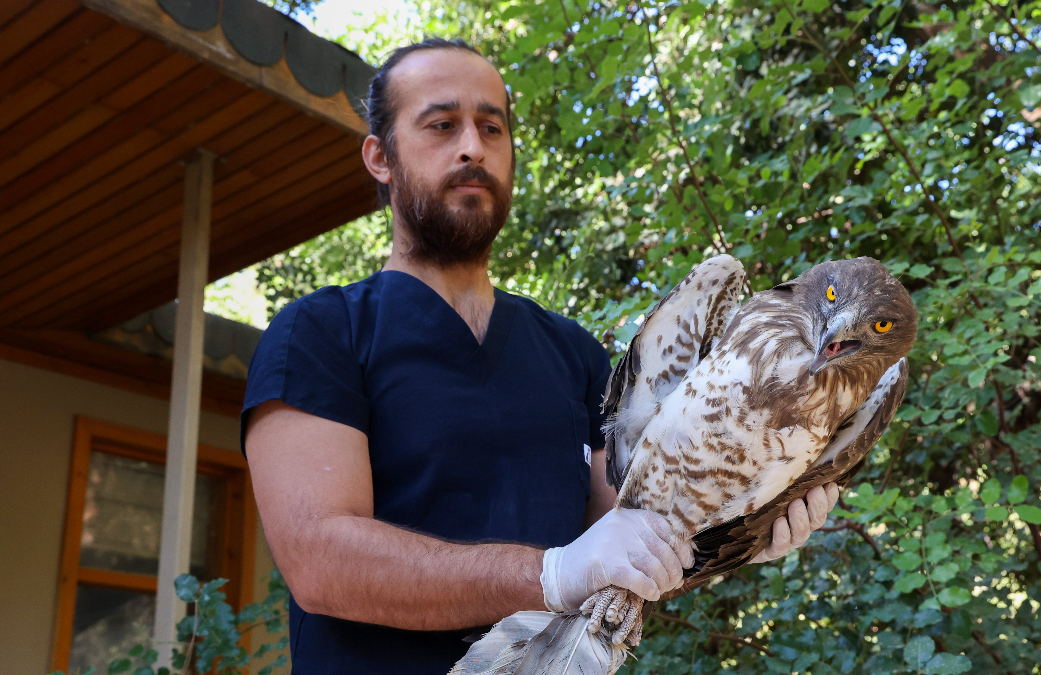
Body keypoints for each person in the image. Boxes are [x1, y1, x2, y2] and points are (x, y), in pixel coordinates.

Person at [241, 37, 840, 675]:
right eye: (442, 125)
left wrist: (741, 526)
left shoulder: (574, 355)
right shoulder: (320, 333)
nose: (472, 146)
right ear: (380, 157)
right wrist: (553, 573)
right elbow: (321, 562)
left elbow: (636, 535)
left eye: (491, 127)